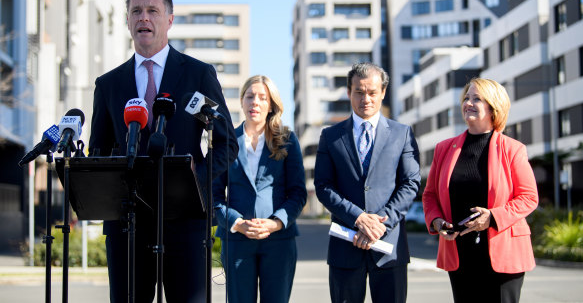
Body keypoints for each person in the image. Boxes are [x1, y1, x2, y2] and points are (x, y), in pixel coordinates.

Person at [89, 0, 238, 302]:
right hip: (127, 224)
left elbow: (226, 143)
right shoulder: (109, 84)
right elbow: (97, 151)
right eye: (136, 11)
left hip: (185, 223)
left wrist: (195, 183)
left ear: (169, 19)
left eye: (152, 10)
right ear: (127, 21)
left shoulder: (197, 75)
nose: (144, 18)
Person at [422, 77, 539, 303]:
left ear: (493, 107)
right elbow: (430, 195)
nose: (468, 103)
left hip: (503, 251)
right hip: (460, 252)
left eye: (477, 98)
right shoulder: (444, 149)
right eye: (466, 98)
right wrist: (436, 221)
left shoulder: (513, 149)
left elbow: (528, 197)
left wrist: (493, 217)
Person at [314, 62, 421, 303]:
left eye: (372, 92)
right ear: (349, 92)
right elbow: (322, 185)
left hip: (389, 246)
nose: (366, 99)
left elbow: (411, 182)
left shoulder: (401, 133)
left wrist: (381, 223)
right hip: (345, 246)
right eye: (359, 92)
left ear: (383, 92)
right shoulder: (330, 136)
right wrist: (358, 218)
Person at [212, 75, 307, 303]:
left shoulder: (287, 140)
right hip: (236, 240)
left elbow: (298, 192)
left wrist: (276, 223)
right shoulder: (225, 140)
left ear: (271, 105)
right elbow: (213, 194)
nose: (255, 102)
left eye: (262, 98)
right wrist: (237, 223)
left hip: (279, 240)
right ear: (242, 101)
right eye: (250, 96)